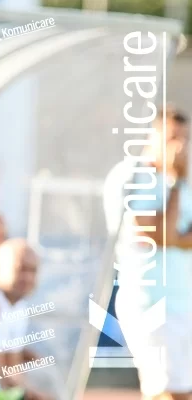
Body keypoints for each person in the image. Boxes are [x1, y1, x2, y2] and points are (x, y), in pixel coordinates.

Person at [104, 106, 192, 400]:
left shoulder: (181, 181)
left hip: (184, 304)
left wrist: (174, 235)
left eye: (184, 139)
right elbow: (160, 235)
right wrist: (177, 183)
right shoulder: (131, 176)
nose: (180, 147)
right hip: (150, 302)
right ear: (150, 137)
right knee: (165, 393)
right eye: (171, 138)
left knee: (182, 392)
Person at [0, 239, 49, 400]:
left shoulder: (19, 307)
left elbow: (13, 362)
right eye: (21, 269)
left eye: (33, 271)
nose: (28, 277)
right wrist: (29, 391)